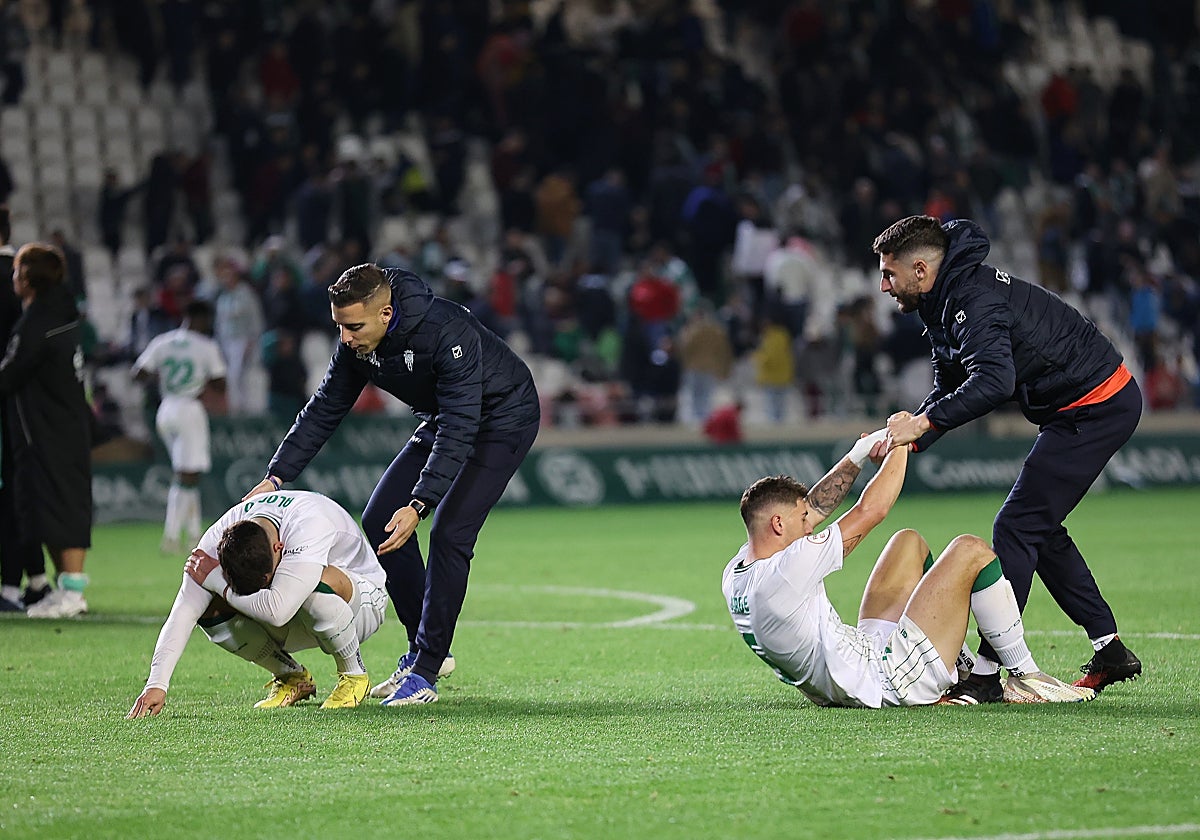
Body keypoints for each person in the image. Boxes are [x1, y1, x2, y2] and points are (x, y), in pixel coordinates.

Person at [873, 215, 1143, 702]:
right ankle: (1110, 647)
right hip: (1078, 406)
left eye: (889, 273)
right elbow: (950, 386)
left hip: (1097, 404)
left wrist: (925, 425)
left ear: (918, 269)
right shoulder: (942, 299)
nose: (882, 284)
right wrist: (910, 437)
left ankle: (987, 673)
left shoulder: (971, 298)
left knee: (1016, 527)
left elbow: (994, 382)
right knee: (1037, 527)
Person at [243, 264, 540, 706]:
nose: (345, 338)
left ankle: (425, 669)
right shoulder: (357, 341)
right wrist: (275, 476)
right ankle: (426, 652)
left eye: (354, 326)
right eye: (338, 326)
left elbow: (462, 424)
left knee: (451, 532)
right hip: (446, 418)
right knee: (381, 517)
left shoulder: (445, 330)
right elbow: (325, 407)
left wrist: (420, 503)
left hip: (502, 418)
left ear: (386, 314)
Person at [723, 431, 1095, 708]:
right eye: (802, 520)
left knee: (908, 543)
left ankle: (959, 665)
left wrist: (857, 455)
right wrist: (900, 441)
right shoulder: (787, 570)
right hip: (888, 680)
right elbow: (871, 511)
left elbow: (816, 506)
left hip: (854, 665)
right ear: (777, 524)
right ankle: (1023, 676)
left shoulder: (740, 570)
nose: (812, 525)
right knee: (970, 551)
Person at [126, 490, 389, 717]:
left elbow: (277, 611)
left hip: (362, 604)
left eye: (266, 580)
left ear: (279, 547)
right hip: (301, 616)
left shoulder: (308, 525)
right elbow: (182, 613)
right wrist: (157, 683)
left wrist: (221, 585)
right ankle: (291, 676)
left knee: (313, 586)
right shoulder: (215, 540)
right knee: (206, 607)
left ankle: (354, 675)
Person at [0, 243, 92, 618]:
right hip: (58, 426)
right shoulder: (58, 312)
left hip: (50, 431)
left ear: (28, 277)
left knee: (62, 506)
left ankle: (72, 592)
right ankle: (65, 588)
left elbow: (9, 375)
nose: (12, 279)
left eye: (17, 272)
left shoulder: (39, 322)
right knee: (51, 507)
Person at [133, 299, 227, 554]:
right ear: (203, 319)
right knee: (187, 475)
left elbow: (137, 374)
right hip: (189, 408)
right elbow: (220, 384)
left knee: (188, 471)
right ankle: (172, 535)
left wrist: (162, 376)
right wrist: (201, 380)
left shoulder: (162, 342)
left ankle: (194, 534)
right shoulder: (206, 346)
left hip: (166, 409)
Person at [0, 209, 50, 612]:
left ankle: (12, 584)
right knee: (24, 491)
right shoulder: (36, 288)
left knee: (12, 492)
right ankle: (34, 579)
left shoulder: (23, 281)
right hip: (30, 411)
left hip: (9, 401)